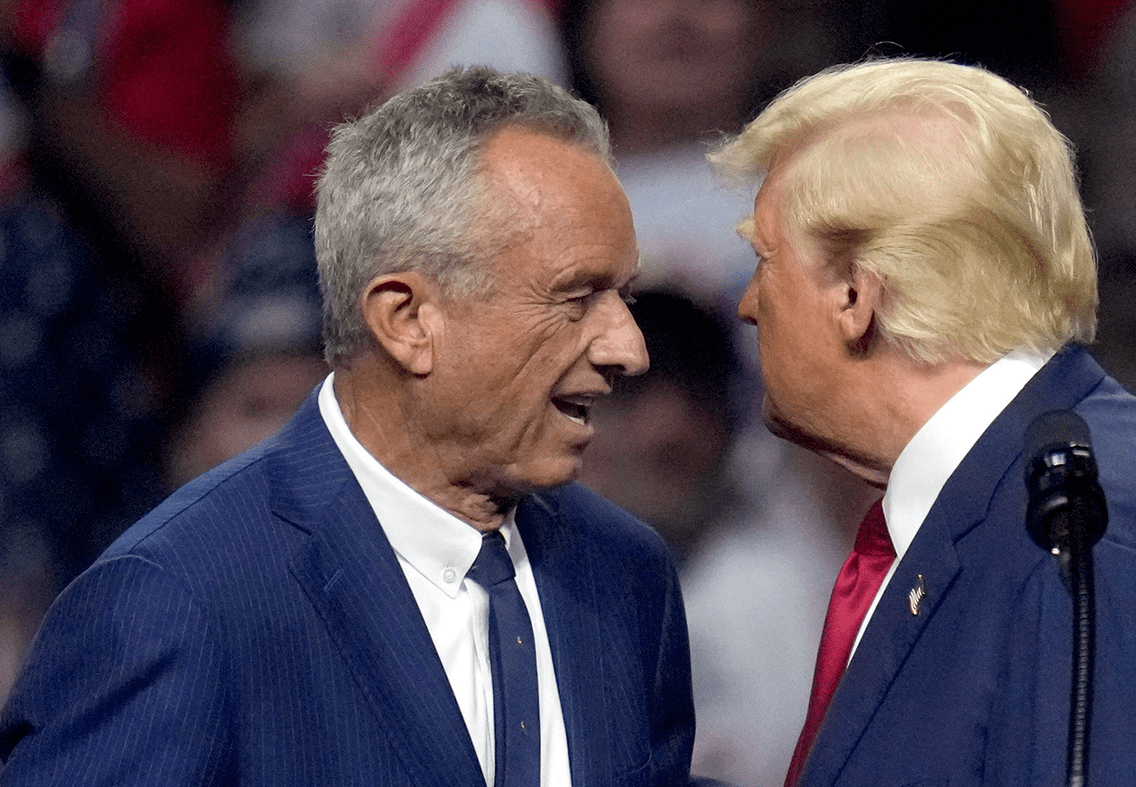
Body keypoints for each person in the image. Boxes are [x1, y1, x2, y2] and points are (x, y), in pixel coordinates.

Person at [0, 66, 695, 786]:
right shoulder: (175, 600)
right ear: (407, 319)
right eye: (577, 298)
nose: (629, 349)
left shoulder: (625, 572)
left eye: (625, 298)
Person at [709, 58, 1136, 786]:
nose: (748, 303)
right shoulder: (1022, 506)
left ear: (854, 294)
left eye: (766, 259)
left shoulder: (1086, 546)